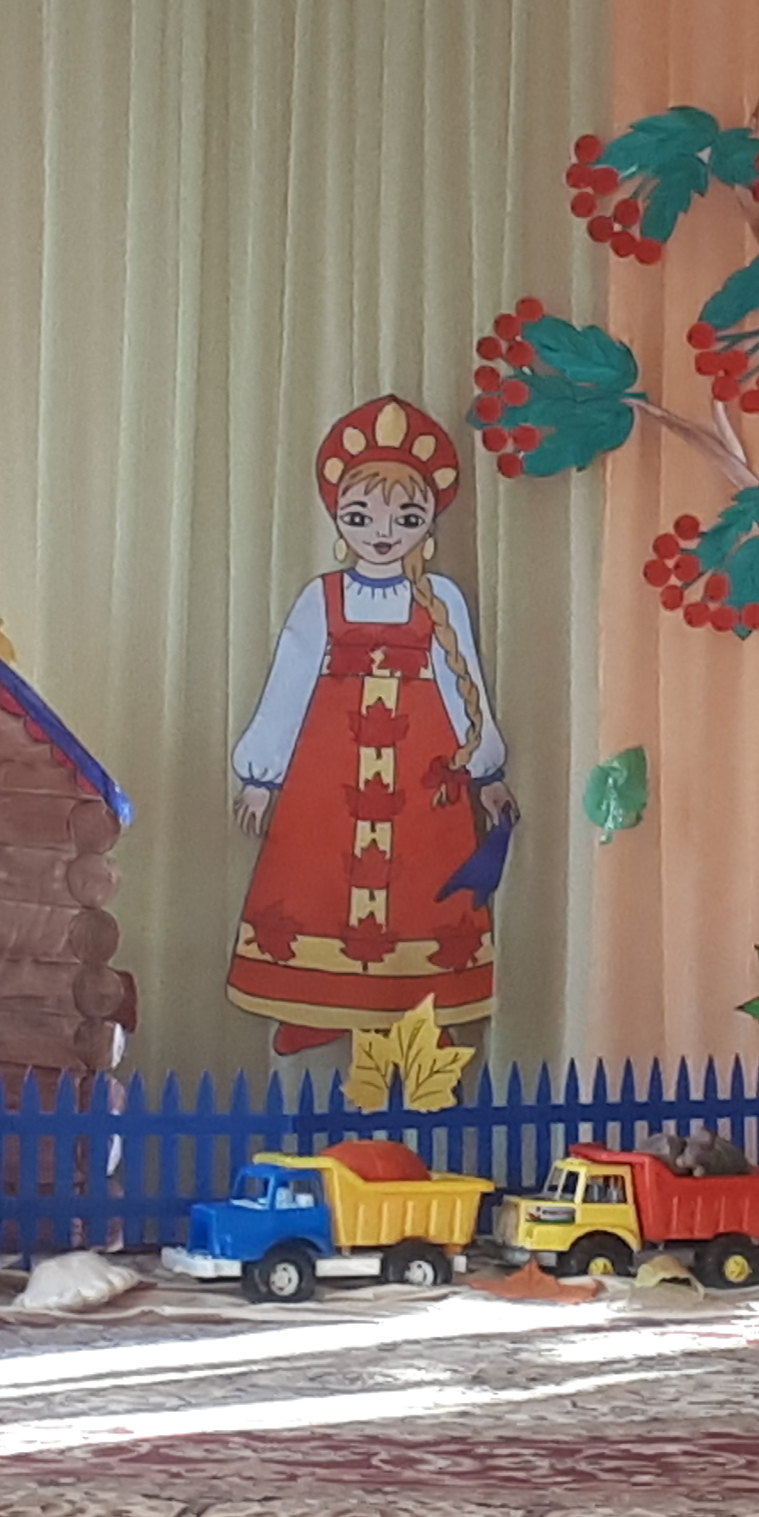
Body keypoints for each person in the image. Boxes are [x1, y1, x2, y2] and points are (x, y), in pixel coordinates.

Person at [228, 395, 510, 1056]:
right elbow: (289, 686)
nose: (383, 532)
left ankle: (423, 1012)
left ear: (427, 523)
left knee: (421, 885)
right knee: (318, 878)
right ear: (339, 519)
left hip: (423, 771)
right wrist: (261, 777)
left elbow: (463, 683)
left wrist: (486, 771)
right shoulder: (321, 597)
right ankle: (317, 1004)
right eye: (361, 516)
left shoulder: (440, 598)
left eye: (404, 518)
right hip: (330, 769)